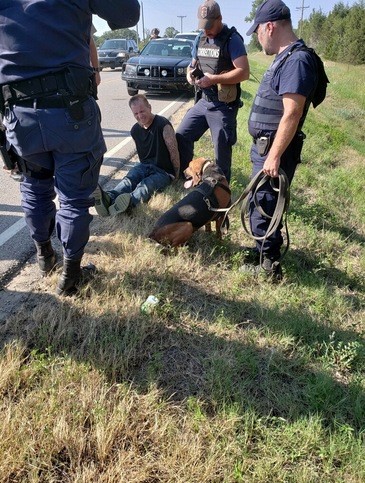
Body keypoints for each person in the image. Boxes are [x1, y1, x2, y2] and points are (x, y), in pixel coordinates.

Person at [0, 1, 140, 296]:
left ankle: (44, 255)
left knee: (34, 187)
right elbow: (128, 13)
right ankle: (70, 275)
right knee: (74, 200)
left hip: (20, 115)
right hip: (70, 112)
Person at [241, 0, 328, 280]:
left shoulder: (297, 60)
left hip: (274, 151)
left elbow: (293, 112)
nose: (257, 37)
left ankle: (269, 266)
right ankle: (261, 250)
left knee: (265, 205)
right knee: (260, 202)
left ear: (270, 27)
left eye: (257, 32)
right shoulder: (286, 56)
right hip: (266, 148)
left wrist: (274, 155)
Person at [175, 0, 249, 182]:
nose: (206, 30)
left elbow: (244, 72)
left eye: (209, 26)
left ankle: (221, 192)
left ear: (220, 19)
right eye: (203, 26)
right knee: (182, 135)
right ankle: (190, 177)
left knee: (221, 150)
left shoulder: (232, 40)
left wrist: (213, 79)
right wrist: (189, 75)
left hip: (223, 106)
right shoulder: (199, 39)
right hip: (203, 102)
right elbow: (192, 65)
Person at [93, 94, 180, 217]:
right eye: (136, 114)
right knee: (129, 180)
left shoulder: (163, 124)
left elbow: (174, 152)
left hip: (163, 171)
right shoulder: (135, 130)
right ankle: (109, 198)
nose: (140, 116)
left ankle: (127, 204)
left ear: (149, 107)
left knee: (145, 186)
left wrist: (175, 175)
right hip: (144, 166)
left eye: (142, 111)